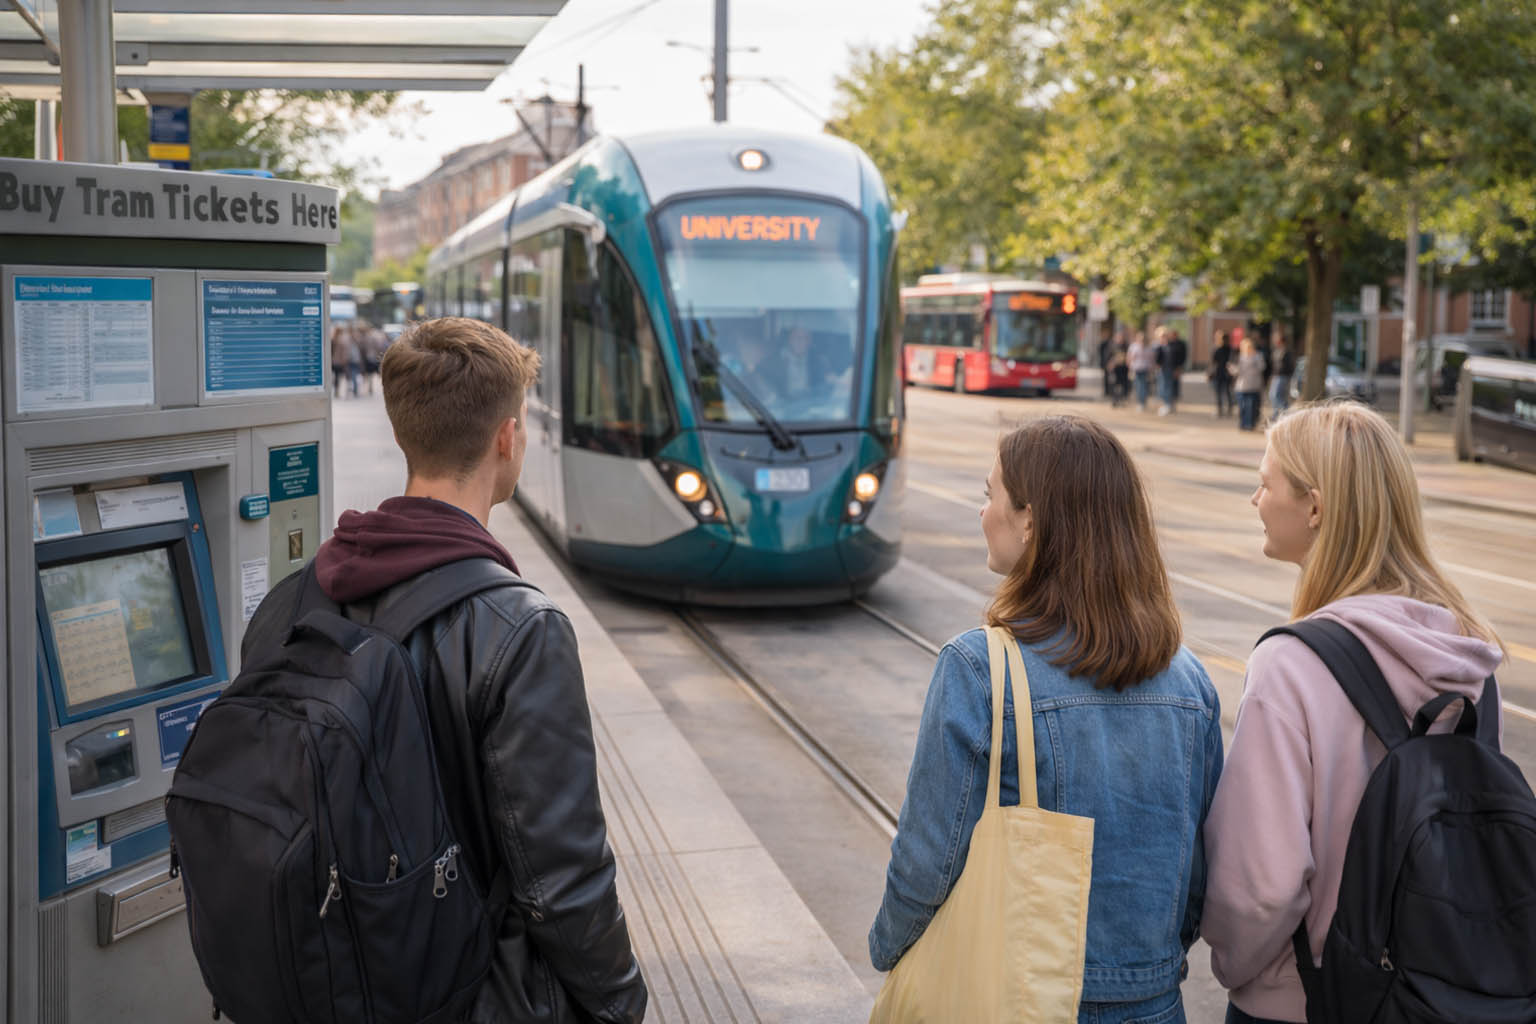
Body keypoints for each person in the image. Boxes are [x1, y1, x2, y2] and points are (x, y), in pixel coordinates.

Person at [246, 317, 648, 1022]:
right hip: (459, 989)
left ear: (402, 434)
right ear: (507, 440)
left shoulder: (292, 600)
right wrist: (621, 1002)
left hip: (325, 975)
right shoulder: (522, 629)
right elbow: (561, 878)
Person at [870, 416, 1223, 1024]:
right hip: (1153, 1002)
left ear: (1030, 519)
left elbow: (929, 856)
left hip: (1020, 999)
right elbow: (1197, 867)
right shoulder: (1189, 681)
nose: (983, 513)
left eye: (991, 496)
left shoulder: (979, 667)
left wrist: (887, 948)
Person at [1202, 402, 1504, 1024]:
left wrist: (1237, 972)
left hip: (1307, 1000)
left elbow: (1262, 886)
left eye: (1266, 482)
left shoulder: (1292, 663)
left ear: (1314, 507)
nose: (1253, 499)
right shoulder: (1471, 654)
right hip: (1442, 989)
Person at [1234, 338, 1266, 431]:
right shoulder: (1240, 357)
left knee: (1252, 407)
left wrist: (1255, 358)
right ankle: (1243, 424)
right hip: (1241, 386)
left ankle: (1250, 424)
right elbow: (1237, 370)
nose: (1248, 349)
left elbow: (1262, 367)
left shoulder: (1258, 356)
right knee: (1242, 407)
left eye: (1249, 347)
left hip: (1254, 386)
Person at [1209, 331, 1236, 418]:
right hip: (1227, 373)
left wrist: (1209, 373)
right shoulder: (1230, 349)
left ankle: (1220, 410)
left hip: (1219, 373)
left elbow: (1213, 363)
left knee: (1219, 393)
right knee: (1227, 392)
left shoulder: (1216, 349)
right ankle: (1229, 409)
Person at [1129, 330, 1154, 412]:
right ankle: (1140, 401)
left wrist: (1151, 369)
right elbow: (1130, 357)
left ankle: (1142, 402)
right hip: (1136, 368)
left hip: (1145, 369)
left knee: (1143, 386)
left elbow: (1151, 359)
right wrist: (1130, 367)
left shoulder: (1148, 348)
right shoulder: (1134, 346)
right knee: (1137, 385)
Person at [1269, 335, 1295, 414]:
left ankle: (1284, 412)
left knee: (1276, 395)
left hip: (1283, 376)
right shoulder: (1277, 351)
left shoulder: (1286, 351)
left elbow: (1289, 365)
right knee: (1275, 395)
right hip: (1276, 376)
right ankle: (1278, 412)